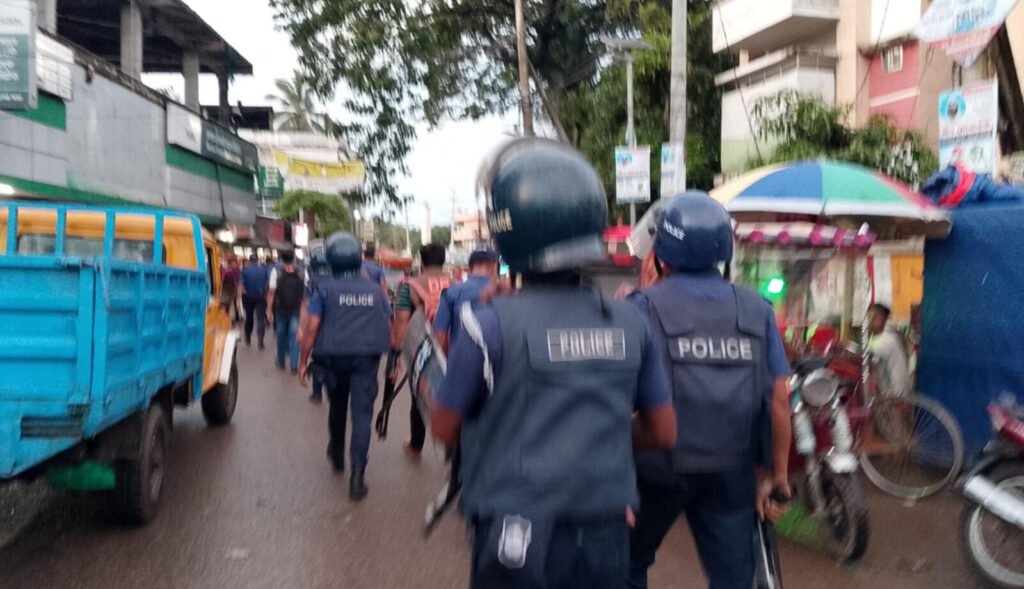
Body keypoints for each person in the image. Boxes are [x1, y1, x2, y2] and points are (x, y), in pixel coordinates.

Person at [431, 138, 677, 589]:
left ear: (507, 230)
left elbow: (444, 427)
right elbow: (662, 431)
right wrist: (589, 444)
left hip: (513, 531)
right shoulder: (631, 322)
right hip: (604, 531)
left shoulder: (486, 325)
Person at [626, 192, 793, 589]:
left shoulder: (641, 306)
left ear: (661, 254)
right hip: (732, 472)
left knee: (626, 564)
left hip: (656, 470)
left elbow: (617, 395)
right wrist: (778, 476)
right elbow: (779, 400)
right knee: (733, 579)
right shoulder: (757, 309)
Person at [299, 232, 392, 500]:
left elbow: (312, 326)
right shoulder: (375, 291)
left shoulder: (324, 289)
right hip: (366, 360)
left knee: (337, 408)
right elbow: (388, 323)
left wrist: (303, 361)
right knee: (362, 416)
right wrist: (394, 359)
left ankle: (338, 456)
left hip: (333, 359)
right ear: (359, 258)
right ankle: (357, 478)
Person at [391, 242, 450, 460]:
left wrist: (398, 353)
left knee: (420, 394)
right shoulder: (456, 283)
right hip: (453, 347)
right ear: (443, 261)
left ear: (422, 262)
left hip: (423, 350)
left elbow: (402, 320)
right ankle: (455, 450)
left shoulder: (410, 286)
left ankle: (416, 445)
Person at [433, 248, 498, 353]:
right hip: (496, 359)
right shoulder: (504, 294)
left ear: (469, 269)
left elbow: (439, 335)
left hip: (460, 359)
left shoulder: (451, 293)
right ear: (494, 268)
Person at [300, 244, 331, 403]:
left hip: (316, 322)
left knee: (318, 356)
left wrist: (302, 328)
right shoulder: (337, 277)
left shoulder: (311, 279)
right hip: (335, 324)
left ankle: (317, 392)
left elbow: (306, 304)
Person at [267, 249, 306, 374]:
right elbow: (305, 296)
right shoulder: (302, 273)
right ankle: (294, 365)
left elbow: (271, 292)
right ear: (294, 258)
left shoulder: (276, 272)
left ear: (282, 259)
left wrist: (269, 310)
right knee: (295, 336)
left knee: (281, 335)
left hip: (281, 309)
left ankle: (281, 361)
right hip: (296, 310)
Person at [867, 303, 910, 399]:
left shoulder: (888, 338)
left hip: (896, 392)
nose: (868, 321)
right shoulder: (875, 337)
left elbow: (871, 357)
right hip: (887, 390)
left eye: (872, 317)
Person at [240, 254, 270, 349]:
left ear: (249, 261)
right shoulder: (264, 270)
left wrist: (240, 296)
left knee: (249, 317)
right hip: (260, 296)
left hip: (248, 296)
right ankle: (260, 341)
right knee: (260, 318)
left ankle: (248, 338)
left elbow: (241, 285)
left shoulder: (245, 271)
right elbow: (267, 284)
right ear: (257, 260)